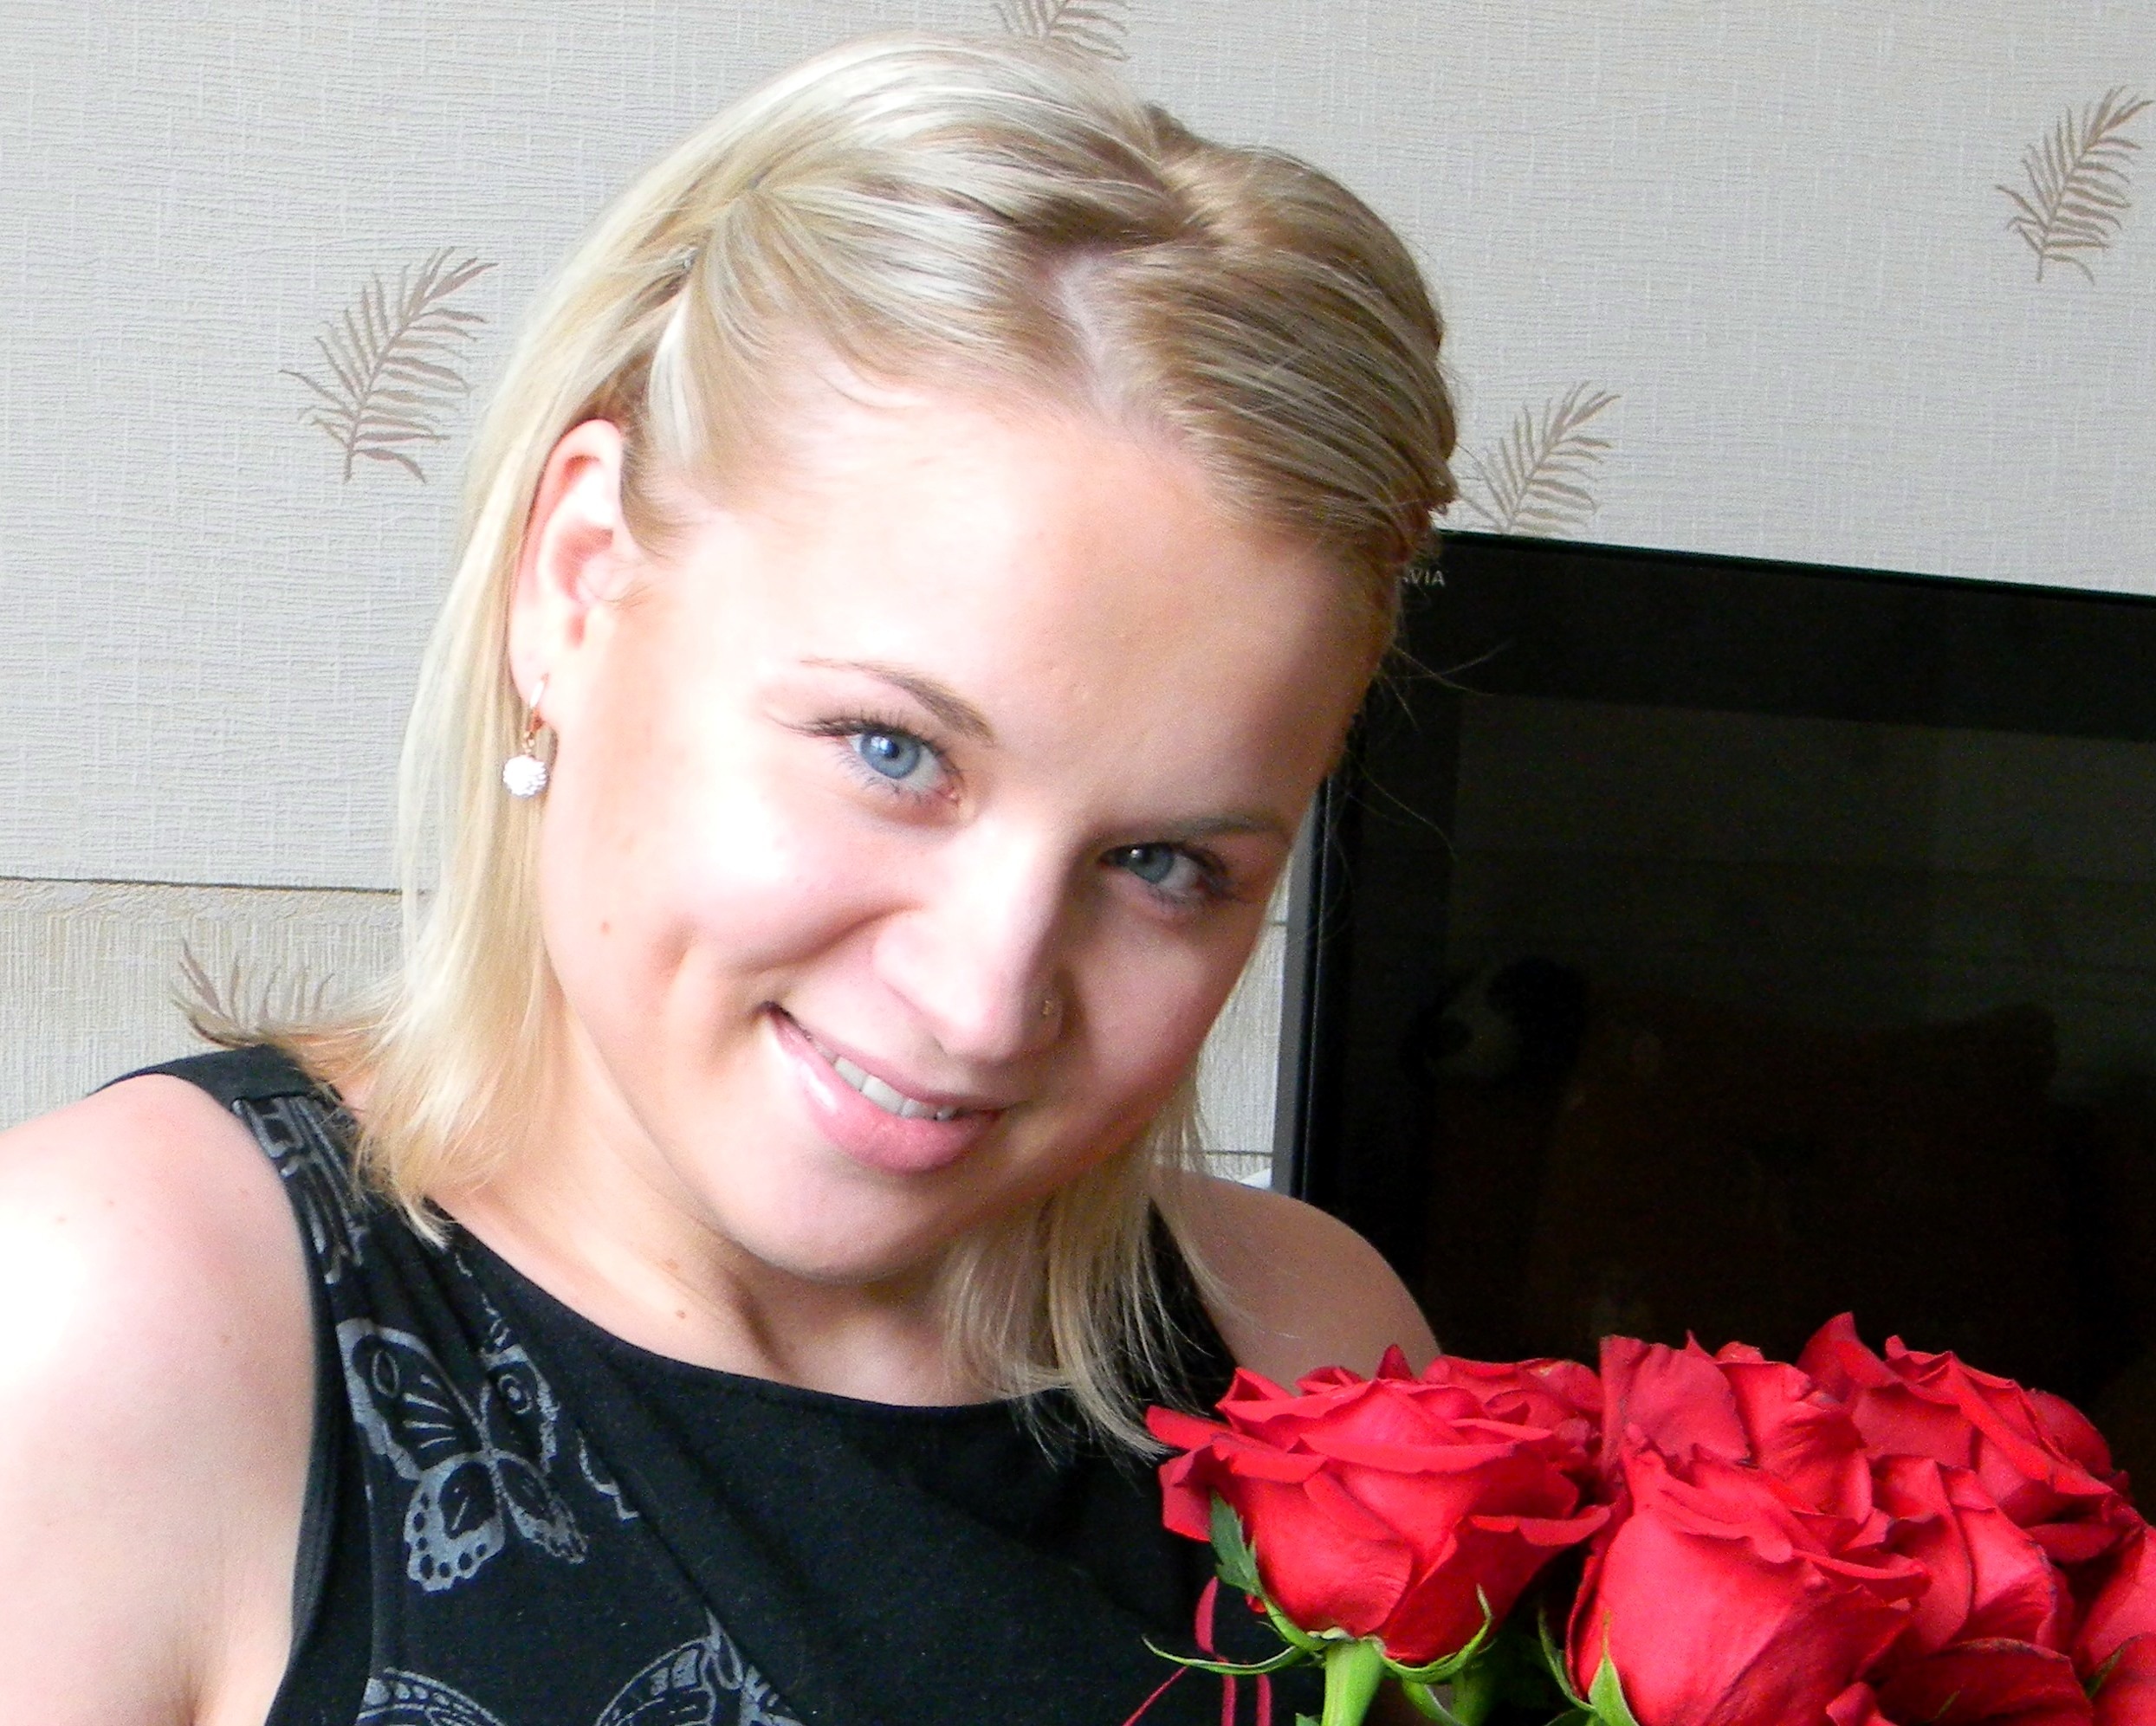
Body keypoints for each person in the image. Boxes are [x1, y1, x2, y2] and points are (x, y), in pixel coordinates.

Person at [0, 32, 1453, 1726]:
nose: (983, 1001)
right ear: (577, 584)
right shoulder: (110, 1315)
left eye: (1162, 863)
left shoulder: (1310, 1357)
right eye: (892, 751)